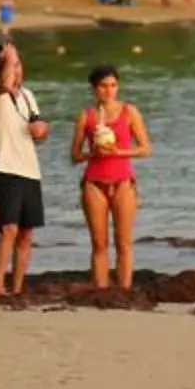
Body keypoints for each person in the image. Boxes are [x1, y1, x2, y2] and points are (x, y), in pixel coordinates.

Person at [69, 62, 151, 289]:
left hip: (124, 181)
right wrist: (92, 153)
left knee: (124, 243)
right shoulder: (86, 117)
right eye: (104, 86)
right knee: (99, 244)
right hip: (94, 183)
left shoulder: (129, 112)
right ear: (94, 89)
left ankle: (124, 291)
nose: (109, 90)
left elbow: (145, 149)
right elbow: (74, 156)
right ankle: (101, 291)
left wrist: (119, 152)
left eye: (114, 85)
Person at [0, 43, 48, 297]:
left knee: (26, 232)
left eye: (18, 64)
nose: (16, 69)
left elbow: (37, 126)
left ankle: (18, 287)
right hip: (4, 168)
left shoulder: (28, 95)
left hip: (30, 170)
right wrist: (9, 57)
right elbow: (5, 84)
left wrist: (42, 131)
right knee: (8, 228)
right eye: (11, 64)